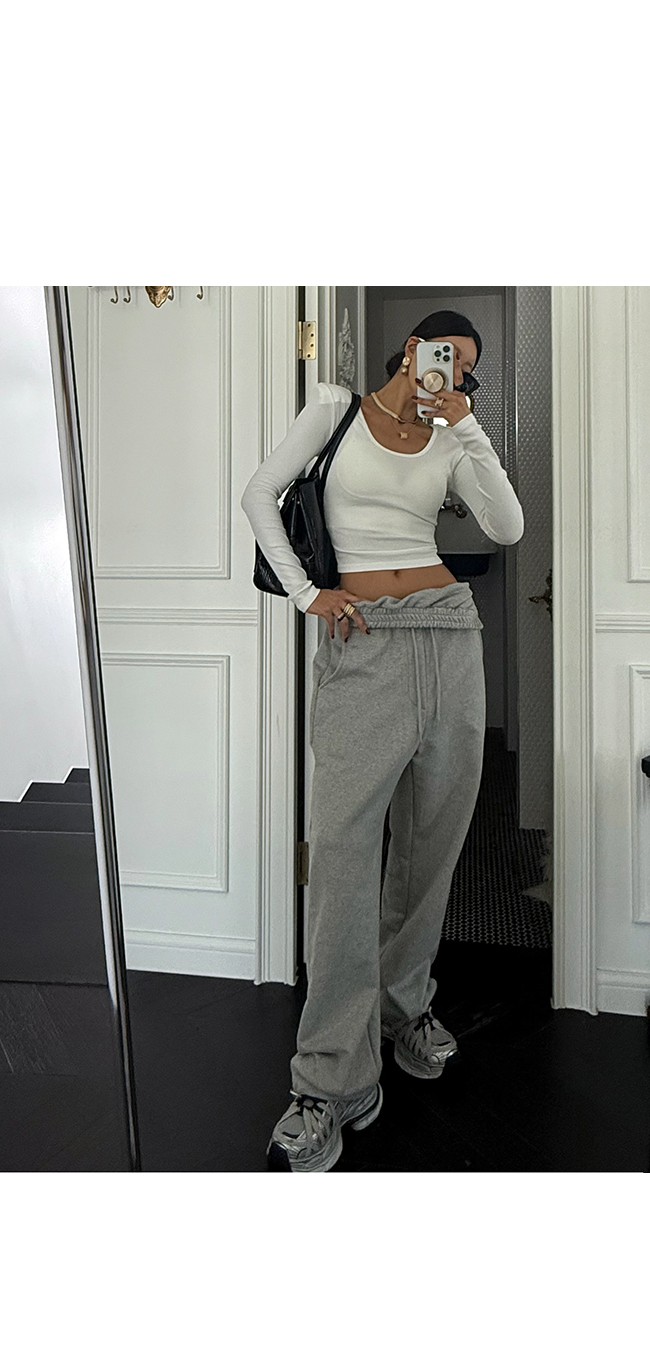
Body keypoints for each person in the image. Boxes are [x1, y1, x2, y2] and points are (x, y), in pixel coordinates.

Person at [240, 309, 525, 1172]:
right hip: (363, 646)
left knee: (431, 846)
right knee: (340, 856)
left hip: (451, 637)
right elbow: (259, 495)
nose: (452, 373)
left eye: (466, 368)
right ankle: (331, 1078)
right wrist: (306, 595)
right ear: (411, 350)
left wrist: (467, 427)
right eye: (445, 356)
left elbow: (507, 527)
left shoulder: (453, 438)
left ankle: (405, 1009)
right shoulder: (334, 408)